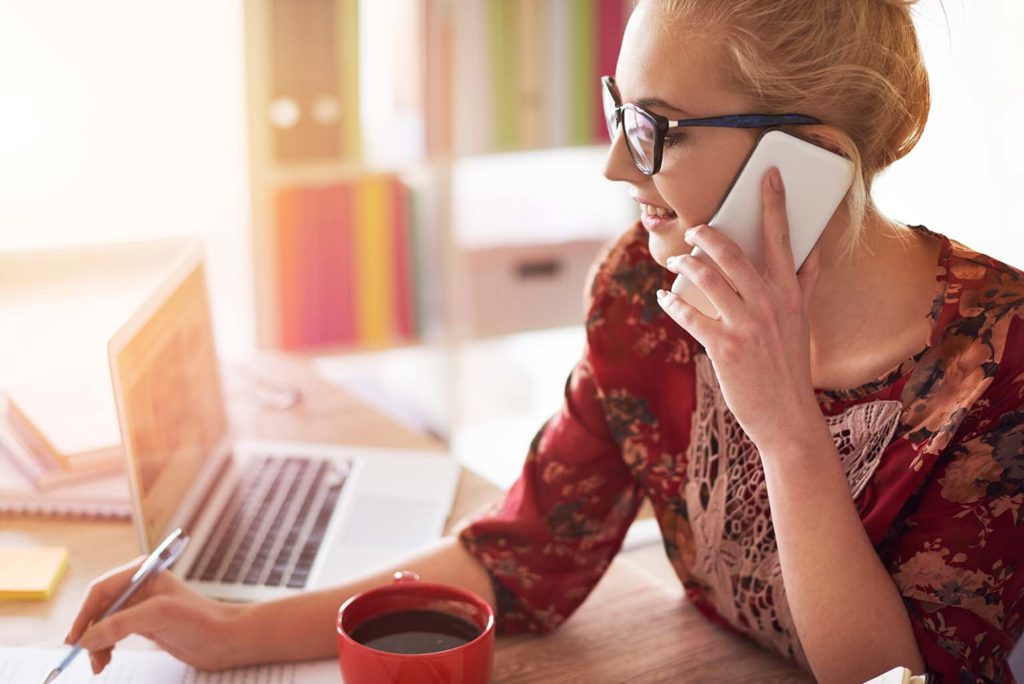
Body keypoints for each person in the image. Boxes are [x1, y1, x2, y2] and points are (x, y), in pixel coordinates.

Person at [67, 0, 1023, 681]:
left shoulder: (1004, 367)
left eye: (655, 129)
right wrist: (228, 630)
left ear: (806, 162)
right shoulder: (647, 287)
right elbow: (524, 552)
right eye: (620, 109)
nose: (614, 163)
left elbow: (893, 681)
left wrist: (785, 433)